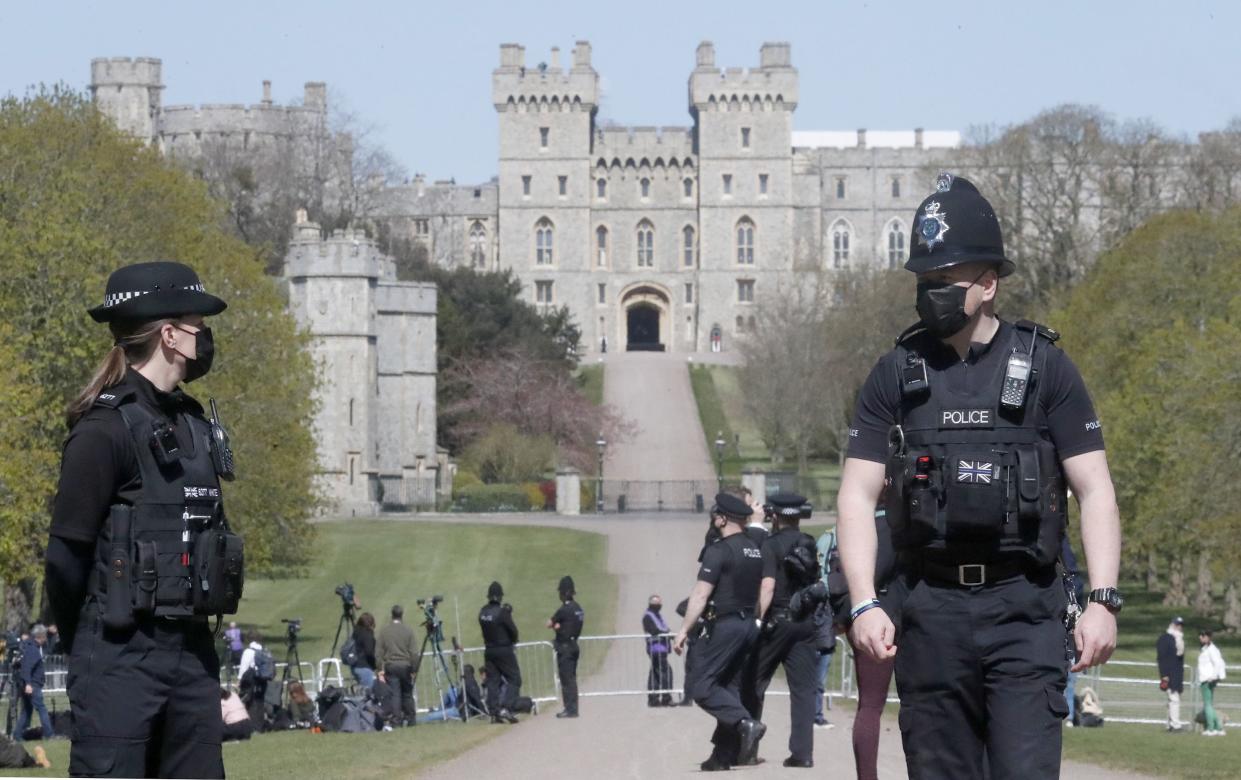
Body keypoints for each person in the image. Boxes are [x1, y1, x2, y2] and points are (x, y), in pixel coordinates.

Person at [838, 173, 1121, 780]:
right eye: (923, 281)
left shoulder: (1046, 368)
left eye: (945, 280)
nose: (929, 292)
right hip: (930, 611)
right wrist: (863, 602)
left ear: (988, 283)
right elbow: (857, 496)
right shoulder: (896, 373)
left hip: (1024, 611)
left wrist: (1102, 600)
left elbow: (1094, 487)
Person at [43, 260, 240, 778]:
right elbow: (65, 558)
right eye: (199, 325)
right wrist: (89, 643)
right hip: (117, 657)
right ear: (171, 336)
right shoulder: (104, 431)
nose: (206, 337)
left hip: (191, 656)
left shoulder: (194, 425)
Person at [672, 493, 766, 772]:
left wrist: (683, 630)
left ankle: (745, 723)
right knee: (729, 687)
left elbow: (700, 595)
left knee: (701, 686)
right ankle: (722, 756)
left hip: (725, 625)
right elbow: (760, 592)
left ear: (722, 518)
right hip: (749, 624)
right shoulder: (754, 549)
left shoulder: (719, 550)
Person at [743, 493, 819, 768]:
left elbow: (767, 586)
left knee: (754, 682)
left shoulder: (771, 545)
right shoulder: (809, 543)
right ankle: (802, 753)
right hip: (805, 623)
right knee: (804, 690)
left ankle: (747, 749)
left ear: (774, 516)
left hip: (777, 621)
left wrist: (757, 621)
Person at [479, 581, 521, 724]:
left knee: (493, 682)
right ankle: (506, 708)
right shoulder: (502, 612)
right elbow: (513, 631)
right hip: (503, 649)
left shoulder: (482, 612)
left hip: (489, 650)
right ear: (500, 596)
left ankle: (494, 712)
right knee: (515, 679)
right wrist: (514, 640)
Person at [549, 575, 584, 718]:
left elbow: (549, 623)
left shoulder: (564, 609)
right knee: (572, 679)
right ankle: (573, 707)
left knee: (566, 679)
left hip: (565, 647)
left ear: (563, 593)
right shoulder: (578, 608)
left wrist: (557, 627)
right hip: (574, 644)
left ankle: (569, 709)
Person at [376, 605, 417, 727]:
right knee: (407, 694)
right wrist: (414, 668)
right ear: (402, 615)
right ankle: (411, 719)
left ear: (391, 614)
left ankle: (396, 720)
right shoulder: (408, 630)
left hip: (391, 665)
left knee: (395, 694)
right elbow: (414, 653)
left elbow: (378, 653)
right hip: (405, 665)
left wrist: (379, 669)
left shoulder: (384, 631)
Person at [15, 625, 54, 742]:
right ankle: (49, 734)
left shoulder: (32, 646)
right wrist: (28, 684)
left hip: (30, 684)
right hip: (32, 685)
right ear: (41, 637)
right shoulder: (33, 650)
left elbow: (49, 647)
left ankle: (17, 735)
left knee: (26, 711)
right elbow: (26, 668)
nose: (46, 638)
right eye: (45, 636)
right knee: (41, 709)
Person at [1156, 617, 1187, 731]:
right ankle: (1176, 724)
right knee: (1174, 700)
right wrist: (1164, 674)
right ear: (1172, 625)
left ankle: (1170, 724)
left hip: (1177, 674)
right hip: (1169, 674)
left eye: (1181, 625)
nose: (1180, 627)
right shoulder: (1164, 639)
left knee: (1172, 700)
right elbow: (1161, 658)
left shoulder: (1179, 639)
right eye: (1178, 624)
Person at [643, 595, 674, 706]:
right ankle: (666, 698)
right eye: (657, 604)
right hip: (656, 649)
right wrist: (668, 633)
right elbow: (655, 630)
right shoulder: (648, 616)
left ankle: (653, 699)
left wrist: (669, 634)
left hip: (659, 649)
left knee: (655, 674)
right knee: (666, 673)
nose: (658, 606)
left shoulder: (656, 615)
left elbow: (663, 628)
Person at [1198, 629, 1227, 736]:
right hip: (1208, 678)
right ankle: (1218, 728)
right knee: (1209, 704)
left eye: (1201, 636)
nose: (1200, 638)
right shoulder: (1207, 649)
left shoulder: (1211, 649)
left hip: (1208, 679)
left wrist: (1213, 677)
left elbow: (1218, 664)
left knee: (1207, 705)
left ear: (1206, 637)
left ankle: (1210, 729)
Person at [350, 612, 379, 689]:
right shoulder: (367, 635)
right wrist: (375, 666)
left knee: (363, 692)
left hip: (355, 666)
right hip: (364, 667)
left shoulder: (356, 632)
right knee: (368, 694)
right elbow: (369, 653)